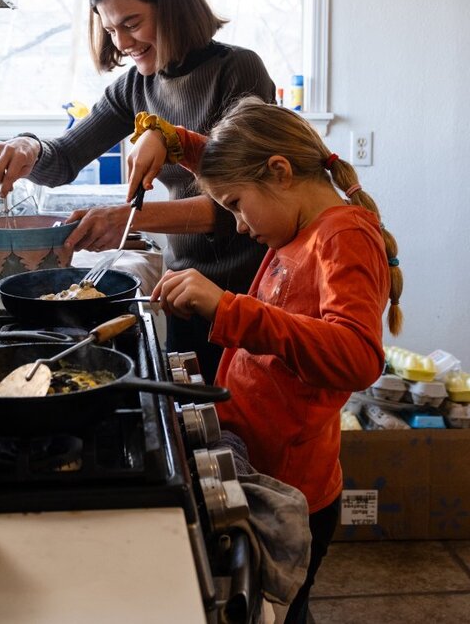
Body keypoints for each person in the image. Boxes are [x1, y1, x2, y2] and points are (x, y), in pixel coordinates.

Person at [125, 98, 403, 624]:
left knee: (281, 616)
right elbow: (229, 161)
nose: (237, 224)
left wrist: (233, 310)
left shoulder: (342, 239)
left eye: (233, 205)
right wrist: (169, 140)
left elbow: (359, 356)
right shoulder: (296, 216)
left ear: (279, 171)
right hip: (259, 458)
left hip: (292, 491)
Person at [0, 0, 276, 384]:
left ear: (173, 6)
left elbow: (236, 210)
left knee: (244, 431)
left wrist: (129, 219)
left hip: (248, 295)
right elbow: (63, 160)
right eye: (109, 29)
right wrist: (28, 147)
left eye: (132, 23)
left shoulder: (237, 71)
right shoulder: (137, 88)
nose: (121, 43)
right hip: (183, 290)